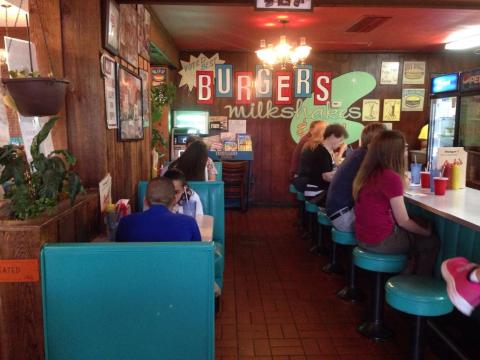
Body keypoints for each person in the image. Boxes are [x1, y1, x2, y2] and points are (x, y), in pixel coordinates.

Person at [353, 130, 439, 276]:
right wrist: (426, 232)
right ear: (395, 152)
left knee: (418, 226)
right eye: (404, 148)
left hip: (362, 236)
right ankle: (414, 285)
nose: (406, 151)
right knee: (430, 241)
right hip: (379, 241)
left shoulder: (367, 173)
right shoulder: (391, 177)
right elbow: (404, 221)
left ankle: (406, 273)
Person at [326, 123, 386, 231]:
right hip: (344, 217)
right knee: (387, 224)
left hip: (336, 212)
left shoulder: (359, 153)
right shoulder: (365, 157)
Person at [116, 177, 201, 242]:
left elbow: (118, 257)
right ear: (174, 201)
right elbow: (199, 256)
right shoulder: (189, 223)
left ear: (145, 201)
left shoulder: (126, 223)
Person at [295, 123, 349, 205]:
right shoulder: (321, 152)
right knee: (349, 199)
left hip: (314, 189)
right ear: (333, 137)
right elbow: (326, 177)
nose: (341, 143)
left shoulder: (322, 149)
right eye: (340, 140)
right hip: (316, 193)